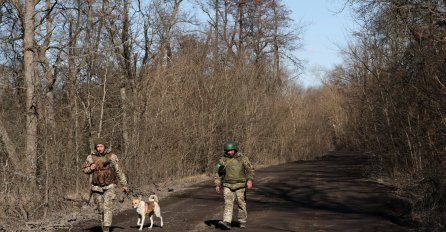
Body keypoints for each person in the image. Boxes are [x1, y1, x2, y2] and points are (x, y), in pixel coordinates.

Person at [82, 138, 128, 232]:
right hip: (96, 187)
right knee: (100, 209)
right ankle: (104, 228)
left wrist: (124, 184)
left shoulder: (112, 157)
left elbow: (118, 171)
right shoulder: (90, 157)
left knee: (107, 207)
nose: (99, 148)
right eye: (98, 146)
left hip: (110, 186)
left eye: (101, 146)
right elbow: (84, 170)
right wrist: (91, 168)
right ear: (95, 147)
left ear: (105, 146)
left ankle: (106, 229)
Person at [214, 140, 254, 230]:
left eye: (231, 150)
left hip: (240, 185)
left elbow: (250, 170)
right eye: (227, 150)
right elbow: (218, 173)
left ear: (235, 149)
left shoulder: (242, 158)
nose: (229, 152)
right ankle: (227, 222)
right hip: (227, 185)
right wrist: (217, 184)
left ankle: (242, 221)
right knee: (228, 203)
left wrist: (250, 180)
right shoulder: (222, 160)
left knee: (241, 203)